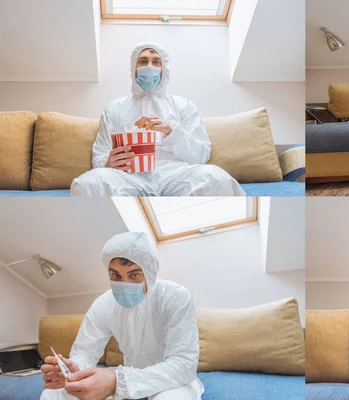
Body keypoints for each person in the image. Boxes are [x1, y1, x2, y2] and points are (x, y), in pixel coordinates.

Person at [40, 232, 203, 400]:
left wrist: (118, 382)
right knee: (53, 394)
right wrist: (74, 368)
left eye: (134, 275)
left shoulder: (175, 297)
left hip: (172, 382)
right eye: (115, 275)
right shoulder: (104, 304)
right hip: (126, 379)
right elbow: (85, 353)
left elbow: (184, 365)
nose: (124, 283)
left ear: (149, 273)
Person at [70, 42, 245, 196]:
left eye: (156, 62)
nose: (149, 66)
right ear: (134, 68)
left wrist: (171, 131)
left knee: (216, 178)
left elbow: (201, 155)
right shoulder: (114, 107)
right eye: (143, 61)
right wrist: (108, 162)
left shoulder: (183, 105)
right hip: (127, 177)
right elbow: (99, 154)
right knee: (88, 183)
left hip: (176, 174)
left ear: (164, 69)